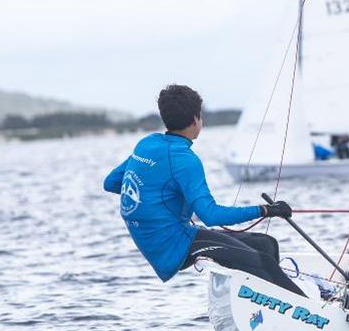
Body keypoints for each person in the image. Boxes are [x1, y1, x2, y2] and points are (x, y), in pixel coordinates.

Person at [103, 84, 296, 289]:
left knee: (265, 244)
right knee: (263, 261)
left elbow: (112, 183)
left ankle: (264, 302)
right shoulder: (185, 159)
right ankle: (307, 309)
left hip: (160, 238)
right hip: (175, 245)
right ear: (196, 120)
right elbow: (212, 216)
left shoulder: (147, 144)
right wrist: (266, 210)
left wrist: (158, 203)